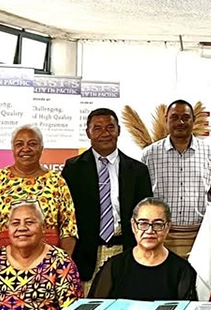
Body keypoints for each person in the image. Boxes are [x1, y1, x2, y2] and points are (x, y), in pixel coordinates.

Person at [62, 108, 154, 286]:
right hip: (87, 256)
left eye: (110, 127)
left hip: (126, 251)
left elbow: (146, 216)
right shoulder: (73, 169)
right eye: (97, 128)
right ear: (88, 132)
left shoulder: (137, 170)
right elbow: (67, 215)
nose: (105, 133)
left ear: (118, 130)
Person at [0, 125, 77, 261]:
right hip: (2, 264)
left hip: (48, 264)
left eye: (32, 144)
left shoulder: (57, 182)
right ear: (13, 149)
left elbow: (68, 229)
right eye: (19, 144)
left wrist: (62, 265)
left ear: (41, 148)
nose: (26, 149)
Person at [140, 99, 211, 258]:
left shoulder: (210, 154)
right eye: (174, 117)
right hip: (160, 236)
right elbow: (143, 193)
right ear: (166, 120)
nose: (180, 122)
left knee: (196, 282)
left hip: (199, 236)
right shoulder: (149, 155)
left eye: (186, 117)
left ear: (194, 120)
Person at [88, 198, 198, 301]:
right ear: (133, 226)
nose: (150, 231)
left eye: (158, 224)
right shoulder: (114, 266)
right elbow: (94, 308)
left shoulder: (182, 270)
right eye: (143, 223)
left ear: (167, 227)